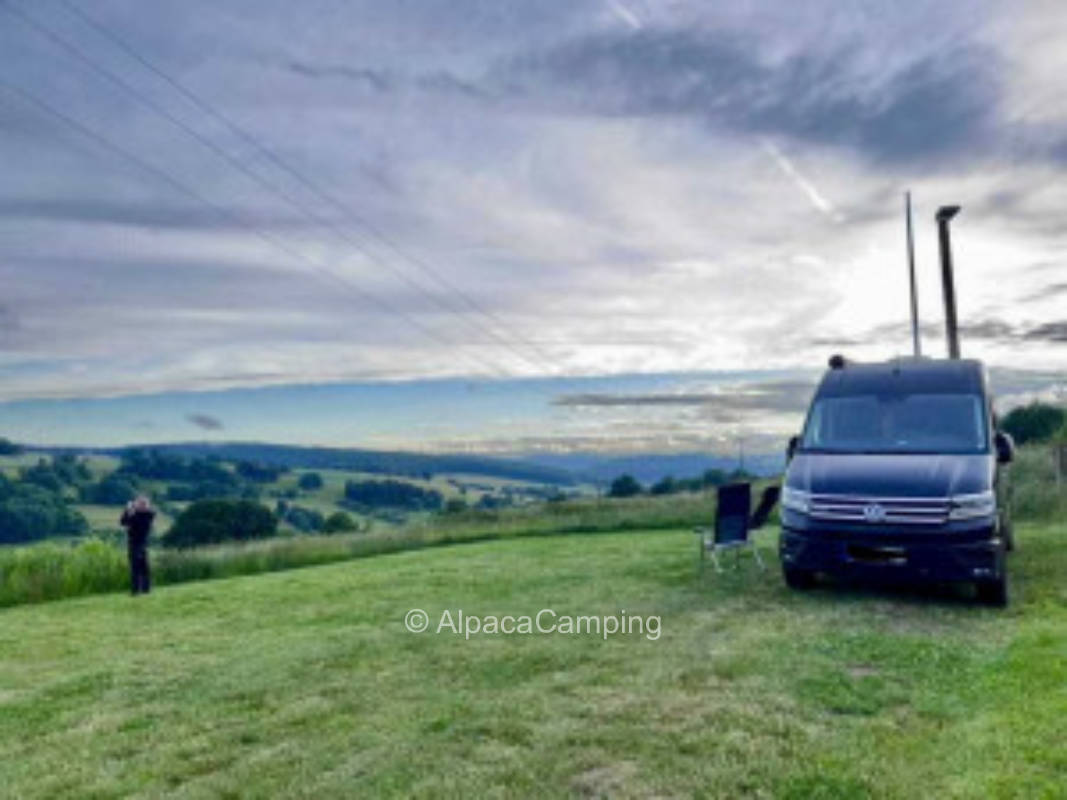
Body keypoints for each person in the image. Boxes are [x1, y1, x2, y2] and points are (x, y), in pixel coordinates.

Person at [120, 495, 156, 595]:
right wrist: (127, 511)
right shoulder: (135, 513)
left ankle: (142, 589)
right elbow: (123, 522)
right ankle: (139, 589)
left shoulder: (149, 514)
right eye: (139, 503)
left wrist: (131, 513)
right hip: (133, 542)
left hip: (141, 542)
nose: (141, 506)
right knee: (137, 567)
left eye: (143, 504)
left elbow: (136, 524)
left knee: (142, 567)